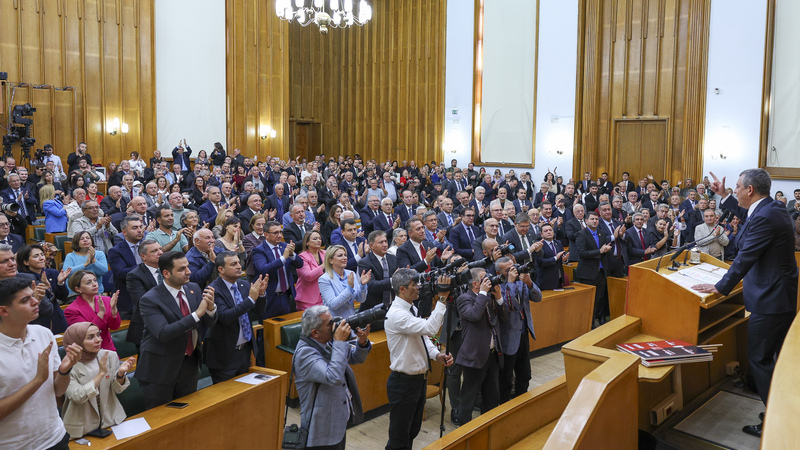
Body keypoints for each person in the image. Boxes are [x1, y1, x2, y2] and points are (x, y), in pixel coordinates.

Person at [693, 169, 798, 437]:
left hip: (770, 300)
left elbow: (745, 256)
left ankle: (776, 421)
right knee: (771, 358)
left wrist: (719, 287)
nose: (736, 189)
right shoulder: (771, 209)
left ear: (749, 190)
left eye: (738, 187)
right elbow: (748, 218)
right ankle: (779, 408)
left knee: (760, 360)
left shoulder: (766, 217)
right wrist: (725, 196)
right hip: (778, 295)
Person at [0, 277, 82, 450]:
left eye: (33, 296)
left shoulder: (43, 333)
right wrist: (38, 380)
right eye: (25, 300)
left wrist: (64, 371)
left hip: (54, 436)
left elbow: (58, 391)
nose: (35, 301)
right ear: (4, 311)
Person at [135, 251, 217, 410]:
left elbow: (207, 322)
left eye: (188, 267)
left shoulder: (193, 288)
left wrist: (211, 309)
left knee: (188, 413)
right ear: (166, 273)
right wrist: (197, 314)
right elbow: (163, 333)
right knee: (161, 419)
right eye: (182, 269)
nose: (189, 272)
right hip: (160, 369)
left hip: (190, 364)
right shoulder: (150, 299)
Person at [384, 268, 454, 450]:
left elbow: (423, 337)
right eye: (414, 285)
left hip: (417, 381)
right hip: (403, 383)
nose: (418, 288)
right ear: (402, 289)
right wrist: (442, 298)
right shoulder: (397, 314)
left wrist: (436, 355)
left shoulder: (411, 308)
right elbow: (431, 328)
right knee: (399, 439)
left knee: (412, 432)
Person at [294, 305, 371, 450]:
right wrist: (339, 342)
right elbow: (333, 376)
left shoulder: (325, 342)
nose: (335, 325)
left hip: (337, 421)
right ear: (315, 333)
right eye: (330, 324)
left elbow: (354, 359)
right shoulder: (304, 354)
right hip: (321, 429)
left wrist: (362, 342)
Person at [61, 322, 135, 439]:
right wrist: (101, 373)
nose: (98, 340)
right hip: (82, 429)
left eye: (98, 335)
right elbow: (78, 397)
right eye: (91, 337)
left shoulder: (109, 356)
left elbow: (117, 389)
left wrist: (120, 374)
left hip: (111, 420)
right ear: (77, 342)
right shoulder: (68, 366)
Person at [206, 252, 268, 383]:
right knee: (226, 398)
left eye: (239, 263)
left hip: (245, 351)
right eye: (233, 264)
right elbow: (225, 317)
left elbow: (259, 311)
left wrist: (261, 295)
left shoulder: (244, 285)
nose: (239, 266)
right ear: (221, 269)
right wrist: (251, 299)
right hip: (224, 355)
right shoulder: (212, 290)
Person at [455, 268, 505, 425]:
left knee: (492, 397)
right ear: (475, 283)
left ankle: (488, 428)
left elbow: (504, 319)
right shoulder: (464, 299)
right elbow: (475, 315)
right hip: (474, 355)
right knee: (468, 398)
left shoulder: (489, 297)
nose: (489, 280)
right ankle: (463, 432)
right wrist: (483, 294)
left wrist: (499, 298)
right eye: (485, 278)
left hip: (492, 354)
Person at [495, 257, 541, 403]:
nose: (513, 271)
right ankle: (505, 407)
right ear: (499, 272)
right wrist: (510, 283)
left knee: (525, 374)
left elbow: (538, 297)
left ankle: (521, 403)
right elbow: (511, 306)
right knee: (506, 377)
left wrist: (529, 283)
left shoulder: (522, 281)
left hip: (523, 332)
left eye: (513, 267)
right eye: (508, 270)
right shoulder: (498, 286)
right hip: (508, 335)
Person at [251, 221, 304, 319]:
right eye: (275, 233)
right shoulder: (259, 250)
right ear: (266, 234)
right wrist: (283, 258)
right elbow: (264, 268)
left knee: (284, 328)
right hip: (269, 297)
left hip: (285, 296)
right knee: (267, 330)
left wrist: (292, 254)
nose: (279, 235)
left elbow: (300, 264)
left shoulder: (285, 246)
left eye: (280, 232)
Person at [16, 245, 70, 333]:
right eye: (36, 256)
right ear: (26, 262)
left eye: (42, 254)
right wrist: (47, 289)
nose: (41, 258)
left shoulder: (53, 273)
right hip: (37, 322)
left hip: (57, 319)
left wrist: (60, 283)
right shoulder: (23, 279)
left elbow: (63, 297)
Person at [64, 270, 121, 352]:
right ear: (78, 289)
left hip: (108, 349)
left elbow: (114, 327)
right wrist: (101, 313)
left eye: (95, 280)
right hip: (88, 353)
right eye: (88, 283)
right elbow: (86, 334)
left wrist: (114, 311)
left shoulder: (106, 300)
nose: (94, 284)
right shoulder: (71, 310)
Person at [125, 240, 163, 348]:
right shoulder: (134, 276)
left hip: (169, 325)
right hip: (146, 327)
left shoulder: (168, 270)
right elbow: (143, 301)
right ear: (143, 256)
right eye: (155, 251)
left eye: (160, 249)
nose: (160, 252)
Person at [356, 231, 397, 328]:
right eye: (381, 242)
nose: (385, 245)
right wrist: (393, 280)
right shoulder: (364, 263)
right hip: (374, 312)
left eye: (386, 242)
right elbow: (372, 286)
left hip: (393, 309)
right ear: (371, 246)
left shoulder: (393, 258)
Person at [107, 215, 145, 319]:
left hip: (148, 299)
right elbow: (122, 273)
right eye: (134, 228)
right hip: (127, 302)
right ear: (124, 232)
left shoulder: (148, 247)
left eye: (140, 227)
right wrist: (145, 266)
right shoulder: (115, 251)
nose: (139, 230)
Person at [318, 245, 370, 320]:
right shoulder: (324, 279)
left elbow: (360, 299)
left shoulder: (351, 274)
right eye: (340, 256)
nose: (344, 258)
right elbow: (333, 305)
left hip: (352, 321)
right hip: (336, 323)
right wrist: (349, 289)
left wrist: (363, 285)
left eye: (345, 255)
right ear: (330, 260)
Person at [296, 230, 327, 311]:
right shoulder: (302, 257)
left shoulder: (325, 253)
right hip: (308, 299)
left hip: (325, 296)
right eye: (315, 239)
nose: (318, 241)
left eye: (319, 238)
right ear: (307, 242)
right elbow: (308, 276)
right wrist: (323, 265)